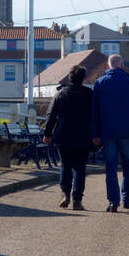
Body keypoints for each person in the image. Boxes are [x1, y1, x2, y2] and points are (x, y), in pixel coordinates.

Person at [91, 54, 129, 212]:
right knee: (128, 164)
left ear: (108, 66)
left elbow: (95, 111)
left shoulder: (100, 83)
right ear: (122, 65)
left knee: (111, 166)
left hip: (107, 132)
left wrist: (95, 132)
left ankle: (113, 201)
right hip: (127, 131)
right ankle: (127, 198)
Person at [44, 65, 94, 210]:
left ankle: (65, 194)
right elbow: (96, 116)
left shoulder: (61, 93)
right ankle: (77, 199)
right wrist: (97, 135)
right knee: (80, 168)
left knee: (65, 166)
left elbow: (51, 115)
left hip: (63, 135)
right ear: (83, 79)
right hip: (83, 136)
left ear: (70, 77)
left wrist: (47, 134)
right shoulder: (89, 94)